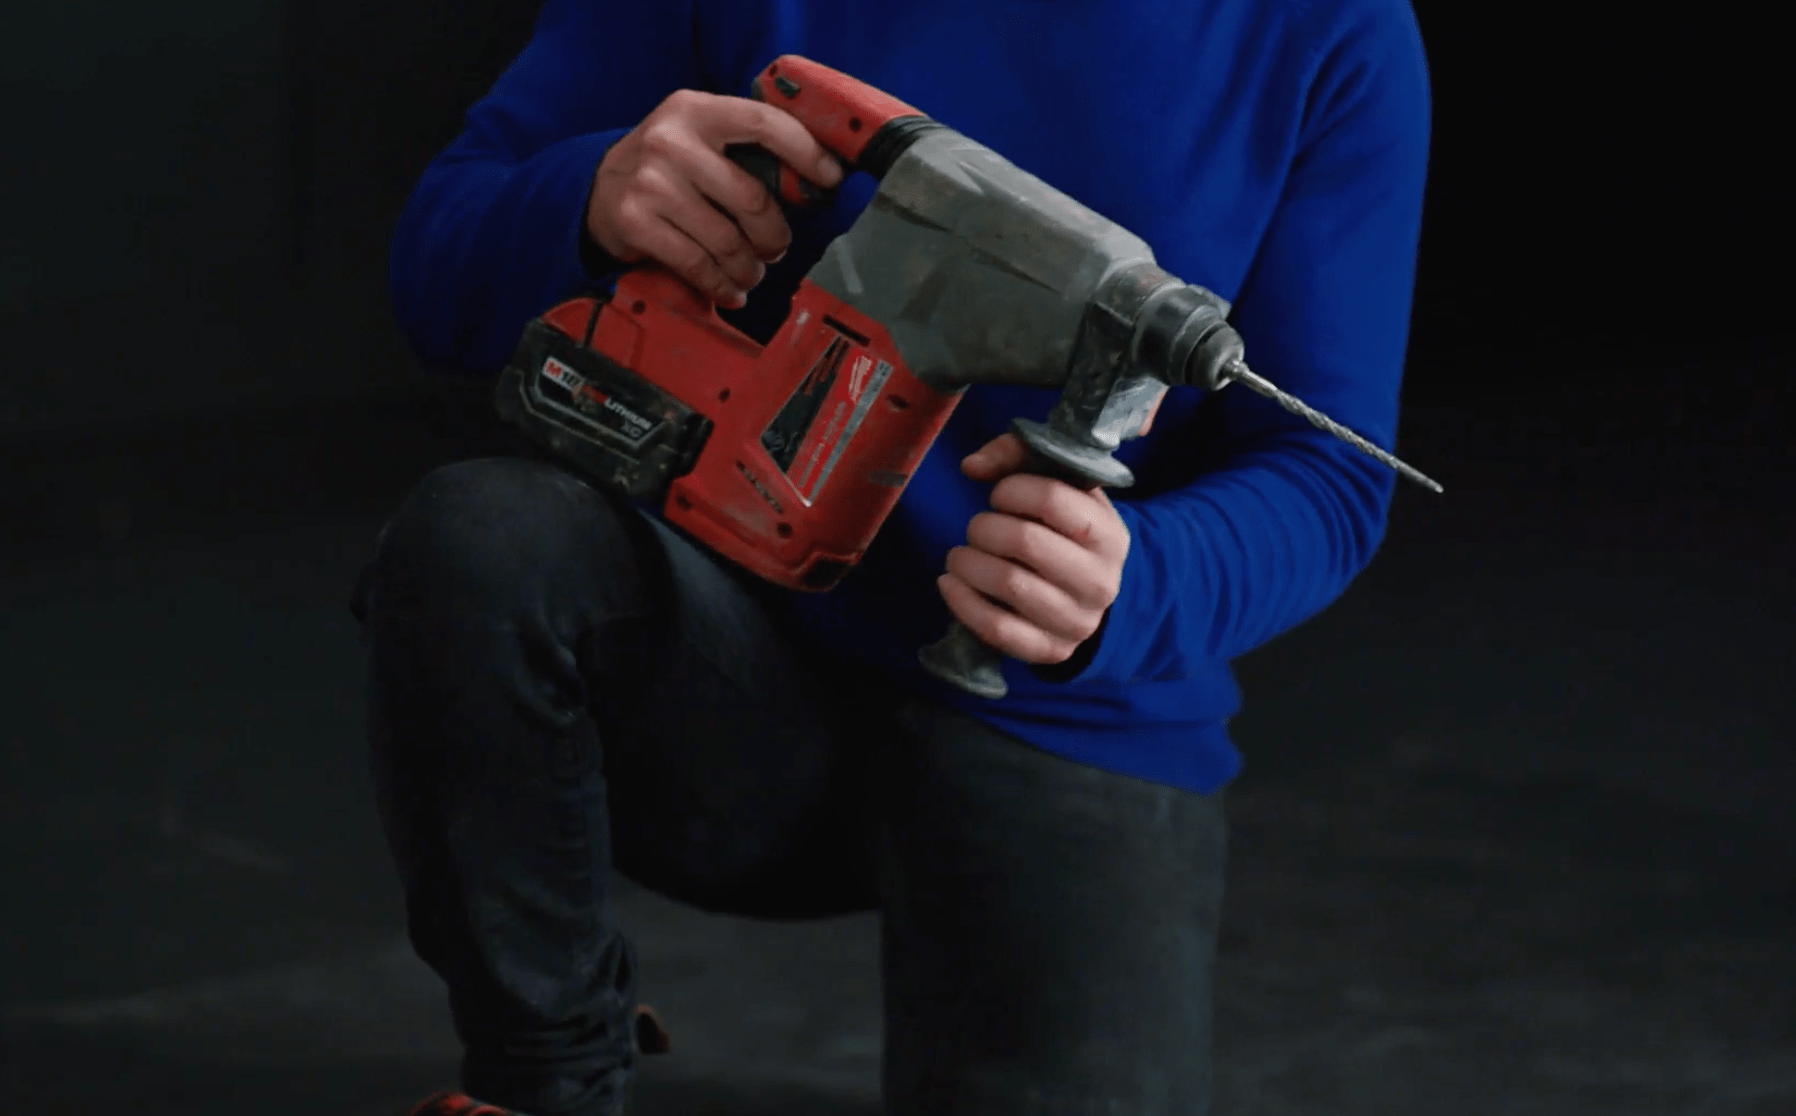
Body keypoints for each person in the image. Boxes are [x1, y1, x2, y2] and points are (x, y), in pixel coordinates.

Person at [349, 0, 1430, 1113]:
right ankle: (542, 1083)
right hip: (722, 650)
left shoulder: (1325, 29)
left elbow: (1331, 473)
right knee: (482, 545)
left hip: (1056, 705)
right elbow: (434, 273)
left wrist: (1137, 579)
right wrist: (585, 195)